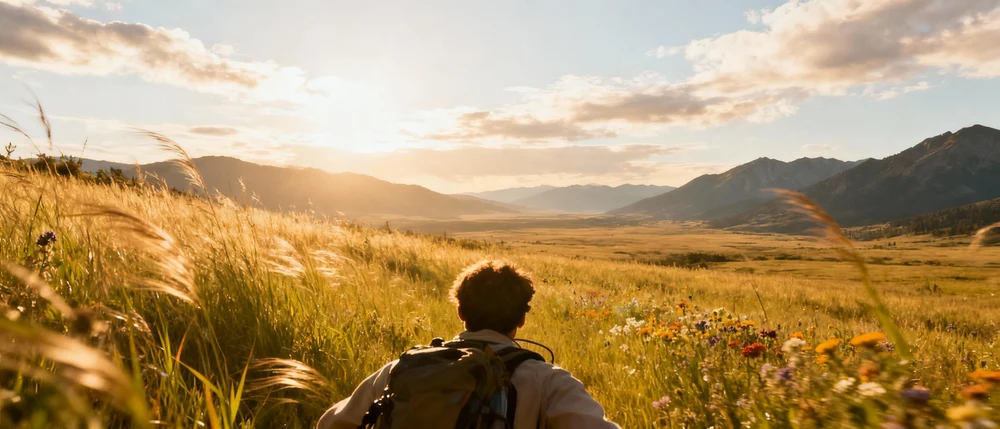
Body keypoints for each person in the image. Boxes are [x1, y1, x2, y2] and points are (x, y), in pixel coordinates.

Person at [317, 260, 620, 429]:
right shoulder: (549, 382)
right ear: (522, 318)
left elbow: (330, 425)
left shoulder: (400, 370)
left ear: (460, 312)